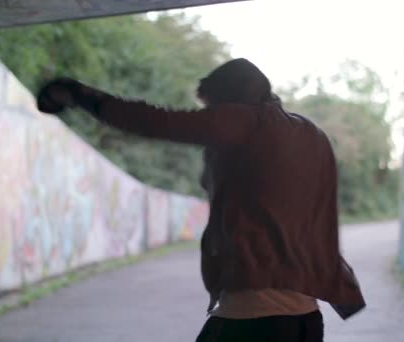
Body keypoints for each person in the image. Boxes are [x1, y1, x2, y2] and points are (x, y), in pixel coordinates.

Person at [36, 58, 365, 342]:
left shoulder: (247, 121)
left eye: (214, 107)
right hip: (305, 316)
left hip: (256, 313)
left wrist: (79, 95)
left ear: (232, 98)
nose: (213, 116)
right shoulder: (310, 134)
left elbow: (156, 121)